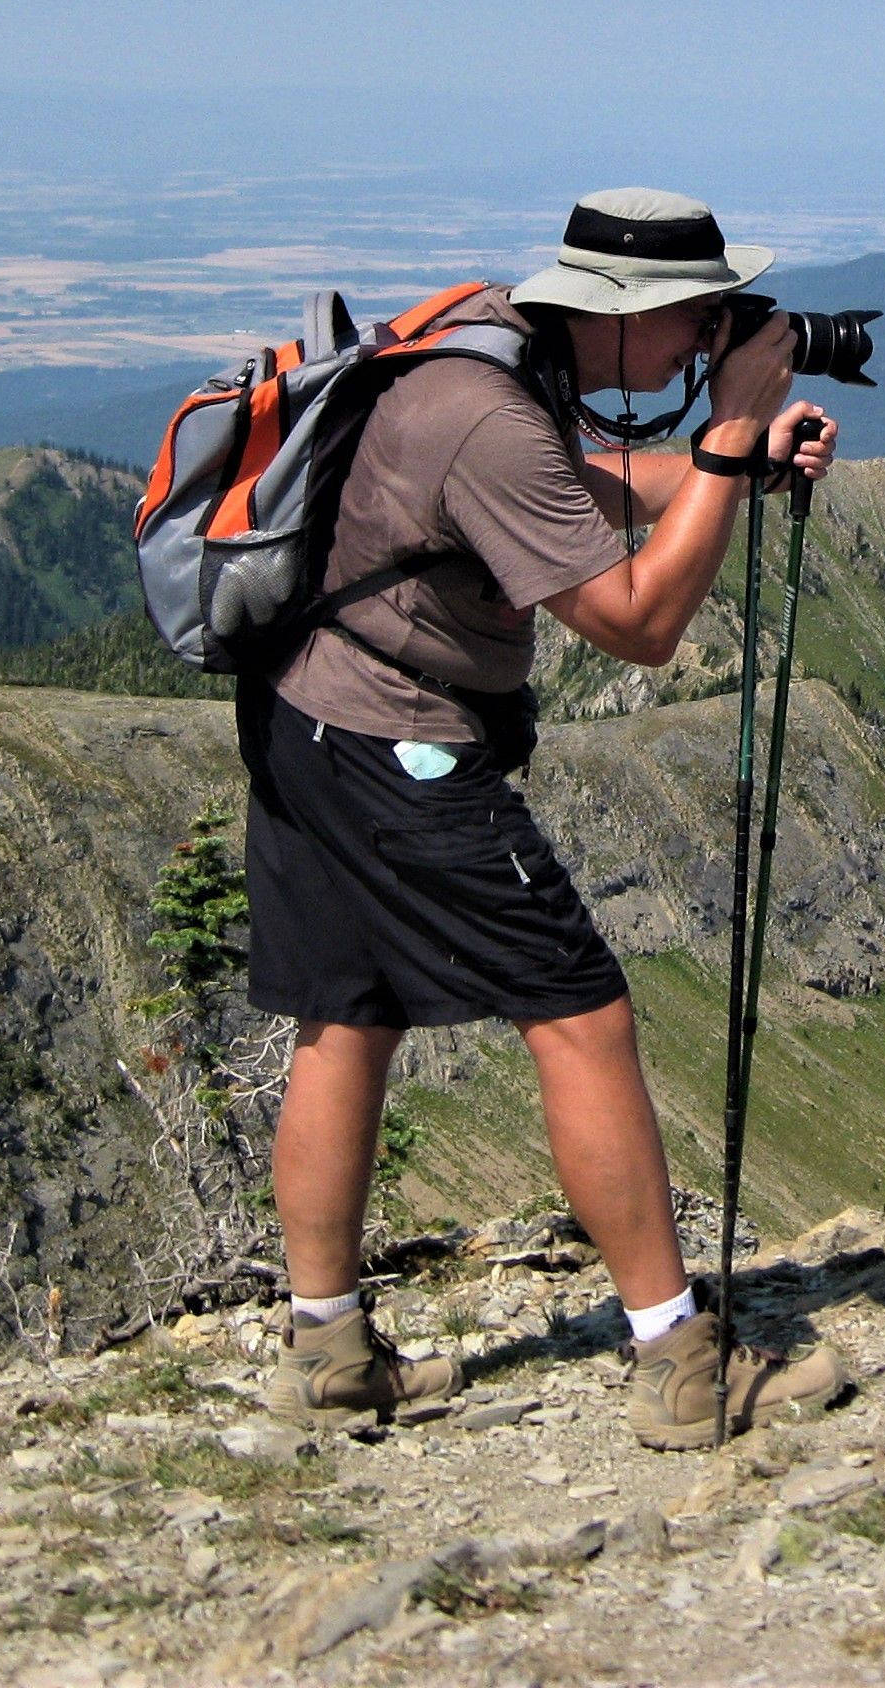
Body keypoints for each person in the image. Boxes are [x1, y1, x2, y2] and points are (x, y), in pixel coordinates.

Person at [237, 187, 846, 1447]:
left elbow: (580, 484)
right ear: (619, 316)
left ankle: (326, 1357)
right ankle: (681, 1366)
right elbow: (641, 626)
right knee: (578, 1012)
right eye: (691, 321)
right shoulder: (487, 416)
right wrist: (734, 431)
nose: (699, 345)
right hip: (391, 740)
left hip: (306, 716)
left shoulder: (497, 353)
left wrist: (735, 457)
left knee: (348, 1016)